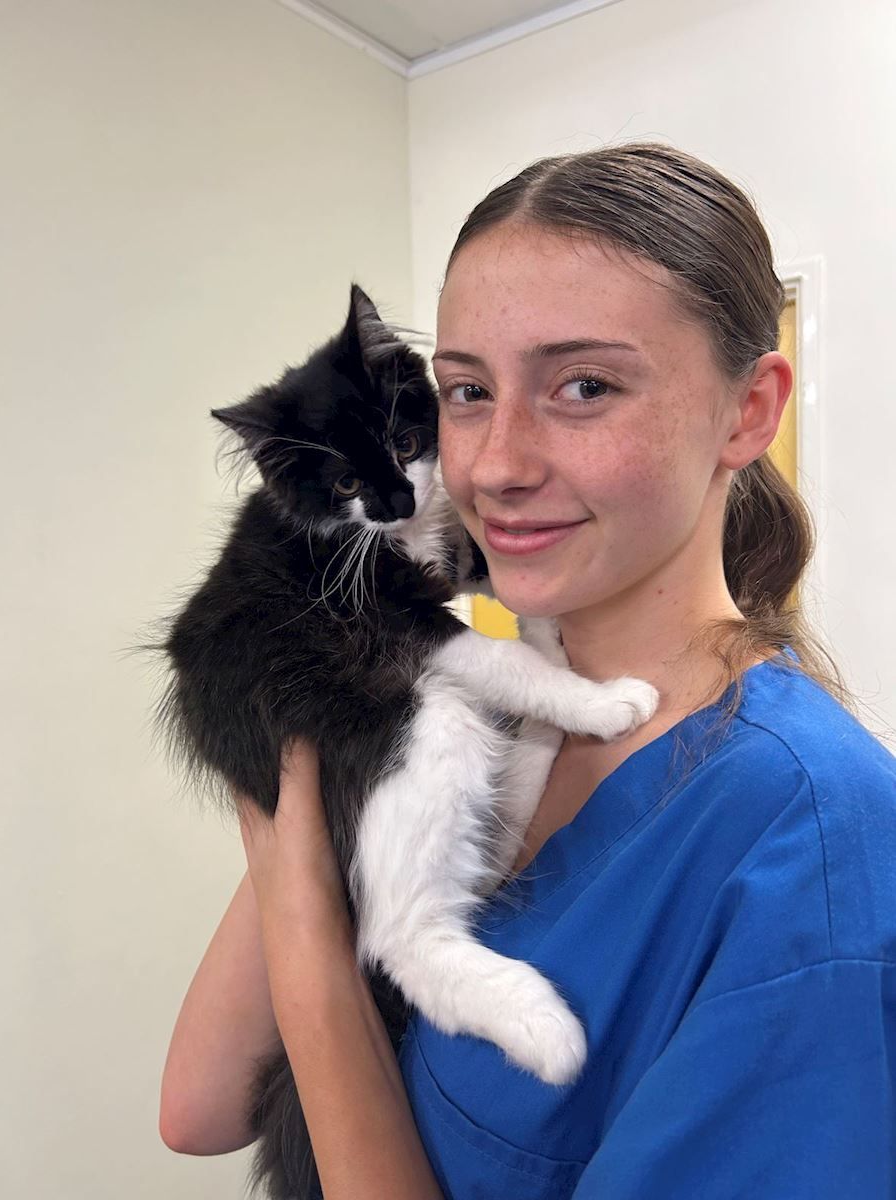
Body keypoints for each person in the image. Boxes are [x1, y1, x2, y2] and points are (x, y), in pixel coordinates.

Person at [159, 142, 896, 1198]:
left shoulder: (811, 844)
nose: (494, 464)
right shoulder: (469, 706)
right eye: (465, 393)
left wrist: (312, 929)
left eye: (583, 387)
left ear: (750, 413)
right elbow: (198, 1106)